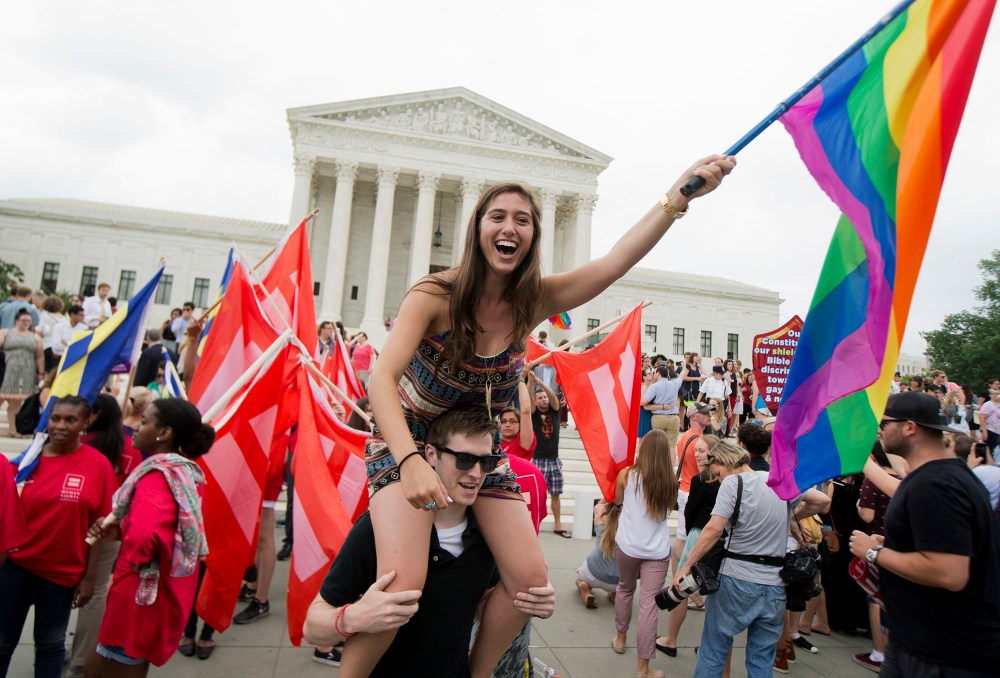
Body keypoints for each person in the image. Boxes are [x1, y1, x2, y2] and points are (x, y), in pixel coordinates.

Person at [356, 157, 734, 678]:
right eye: (498, 216)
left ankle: (478, 672)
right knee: (401, 588)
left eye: (523, 219)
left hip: (476, 455)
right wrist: (409, 461)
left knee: (532, 584)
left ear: (533, 237)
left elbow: (615, 262)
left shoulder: (533, 300)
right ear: (479, 228)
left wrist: (677, 198)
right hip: (411, 443)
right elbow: (381, 379)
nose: (509, 227)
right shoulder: (434, 295)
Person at [302, 406, 555, 677]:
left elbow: (474, 605)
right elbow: (312, 627)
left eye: (487, 462)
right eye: (465, 459)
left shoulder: (487, 534)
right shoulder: (378, 529)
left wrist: (527, 599)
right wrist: (352, 618)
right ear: (431, 455)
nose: (476, 473)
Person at [848, 391, 1000, 677]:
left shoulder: (936, 486)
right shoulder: (941, 476)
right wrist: (897, 545)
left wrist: (874, 552)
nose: (880, 430)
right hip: (918, 641)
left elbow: (949, 572)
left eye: (885, 422)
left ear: (909, 427)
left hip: (943, 652)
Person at [84, 398, 215, 676]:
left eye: (143, 422)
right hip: (158, 591)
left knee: (106, 667)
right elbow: (166, 528)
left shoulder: (156, 477)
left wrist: (135, 557)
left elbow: (145, 535)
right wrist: (119, 530)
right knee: (131, 661)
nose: (135, 429)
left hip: (137, 593)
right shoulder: (182, 473)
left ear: (164, 433)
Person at [672, 440, 824, 678]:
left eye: (718, 474)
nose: (719, 480)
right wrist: (793, 519)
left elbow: (713, 529)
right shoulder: (777, 481)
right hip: (774, 585)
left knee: (713, 650)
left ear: (727, 462)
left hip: (736, 579)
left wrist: (687, 566)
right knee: (761, 661)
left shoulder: (734, 483)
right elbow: (821, 501)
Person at [0, 397, 117, 678]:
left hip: (61, 575)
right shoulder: (29, 459)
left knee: (51, 645)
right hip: (16, 568)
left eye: (70, 420)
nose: (60, 426)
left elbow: (100, 530)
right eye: (55, 419)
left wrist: (89, 578)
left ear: (85, 423)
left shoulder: (99, 466)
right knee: (2, 643)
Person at [65, 394, 143, 677]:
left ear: (95, 414)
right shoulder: (131, 449)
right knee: (96, 592)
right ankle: (81, 659)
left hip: (74, 525)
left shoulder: (79, 444)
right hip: (111, 528)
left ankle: (56, 647)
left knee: (63, 587)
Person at [608, 429, 677, 678]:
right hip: (656, 549)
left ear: (643, 449)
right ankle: (643, 669)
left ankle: (620, 636)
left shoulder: (626, 475)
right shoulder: (670, 482)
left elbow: (617, 502)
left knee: (625, 589)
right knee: (649, 605)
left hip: (628, 545)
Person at [656, 433, 721, 657]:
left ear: (714, 452)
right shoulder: (727, 480)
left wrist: (693, 534)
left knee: (680, 587)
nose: (697, 453)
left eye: (702, 450)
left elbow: (689, 514)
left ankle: (671, 639)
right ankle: (710, 646)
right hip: (720, 539)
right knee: (715, 593)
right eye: (696, 450)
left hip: (698, 536)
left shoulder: (701, 480)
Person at [530, 371, 567, 536]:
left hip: (554, 460)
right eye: (540, 398)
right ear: (536, 401)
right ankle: (534, 522)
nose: (544, 400)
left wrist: (542, 384)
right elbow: (529, 403)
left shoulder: (554, 411)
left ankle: (558, 524)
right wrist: (531, 383)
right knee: (538, 494)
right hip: (539, 460)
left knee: (556, 494)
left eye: (544, 397)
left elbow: (553, 398)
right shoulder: (534, 414)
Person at [0, 308, 45, 437]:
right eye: (23, 320)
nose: (26, 323)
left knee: (16, 402)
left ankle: (13, 430)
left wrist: (41, 372)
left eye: (28, 321)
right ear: (16, 321)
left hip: (27, 370)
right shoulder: (5, 332)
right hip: (8, 368)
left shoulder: (35, 337)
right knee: (2, 396)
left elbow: (40, 356)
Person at [576, 500, 620, 609]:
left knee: (579, 580)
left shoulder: (600, 519)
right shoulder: (629, 524)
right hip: (618, 582)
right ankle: (614, 594)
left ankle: (585, 591)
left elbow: (598, 506)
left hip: (592, 575)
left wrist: (609, 493)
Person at [641, 364, 684, 452]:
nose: (653, 374)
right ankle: (671, 466)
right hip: (674, 418)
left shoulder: (654, 386)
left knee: (658, 445)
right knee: (671, 446)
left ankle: (658, 465)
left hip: (659, 417)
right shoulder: (674, 383)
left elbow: (643, 402)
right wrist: (686, 365)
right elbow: (682, 376)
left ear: (658, 374)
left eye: (654, 373)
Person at [36, 296, 65, 372]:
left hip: (46, 345)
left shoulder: (44, 315)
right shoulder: (63, 318)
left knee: (46, 371)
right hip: (59, 348)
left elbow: (40, 330)